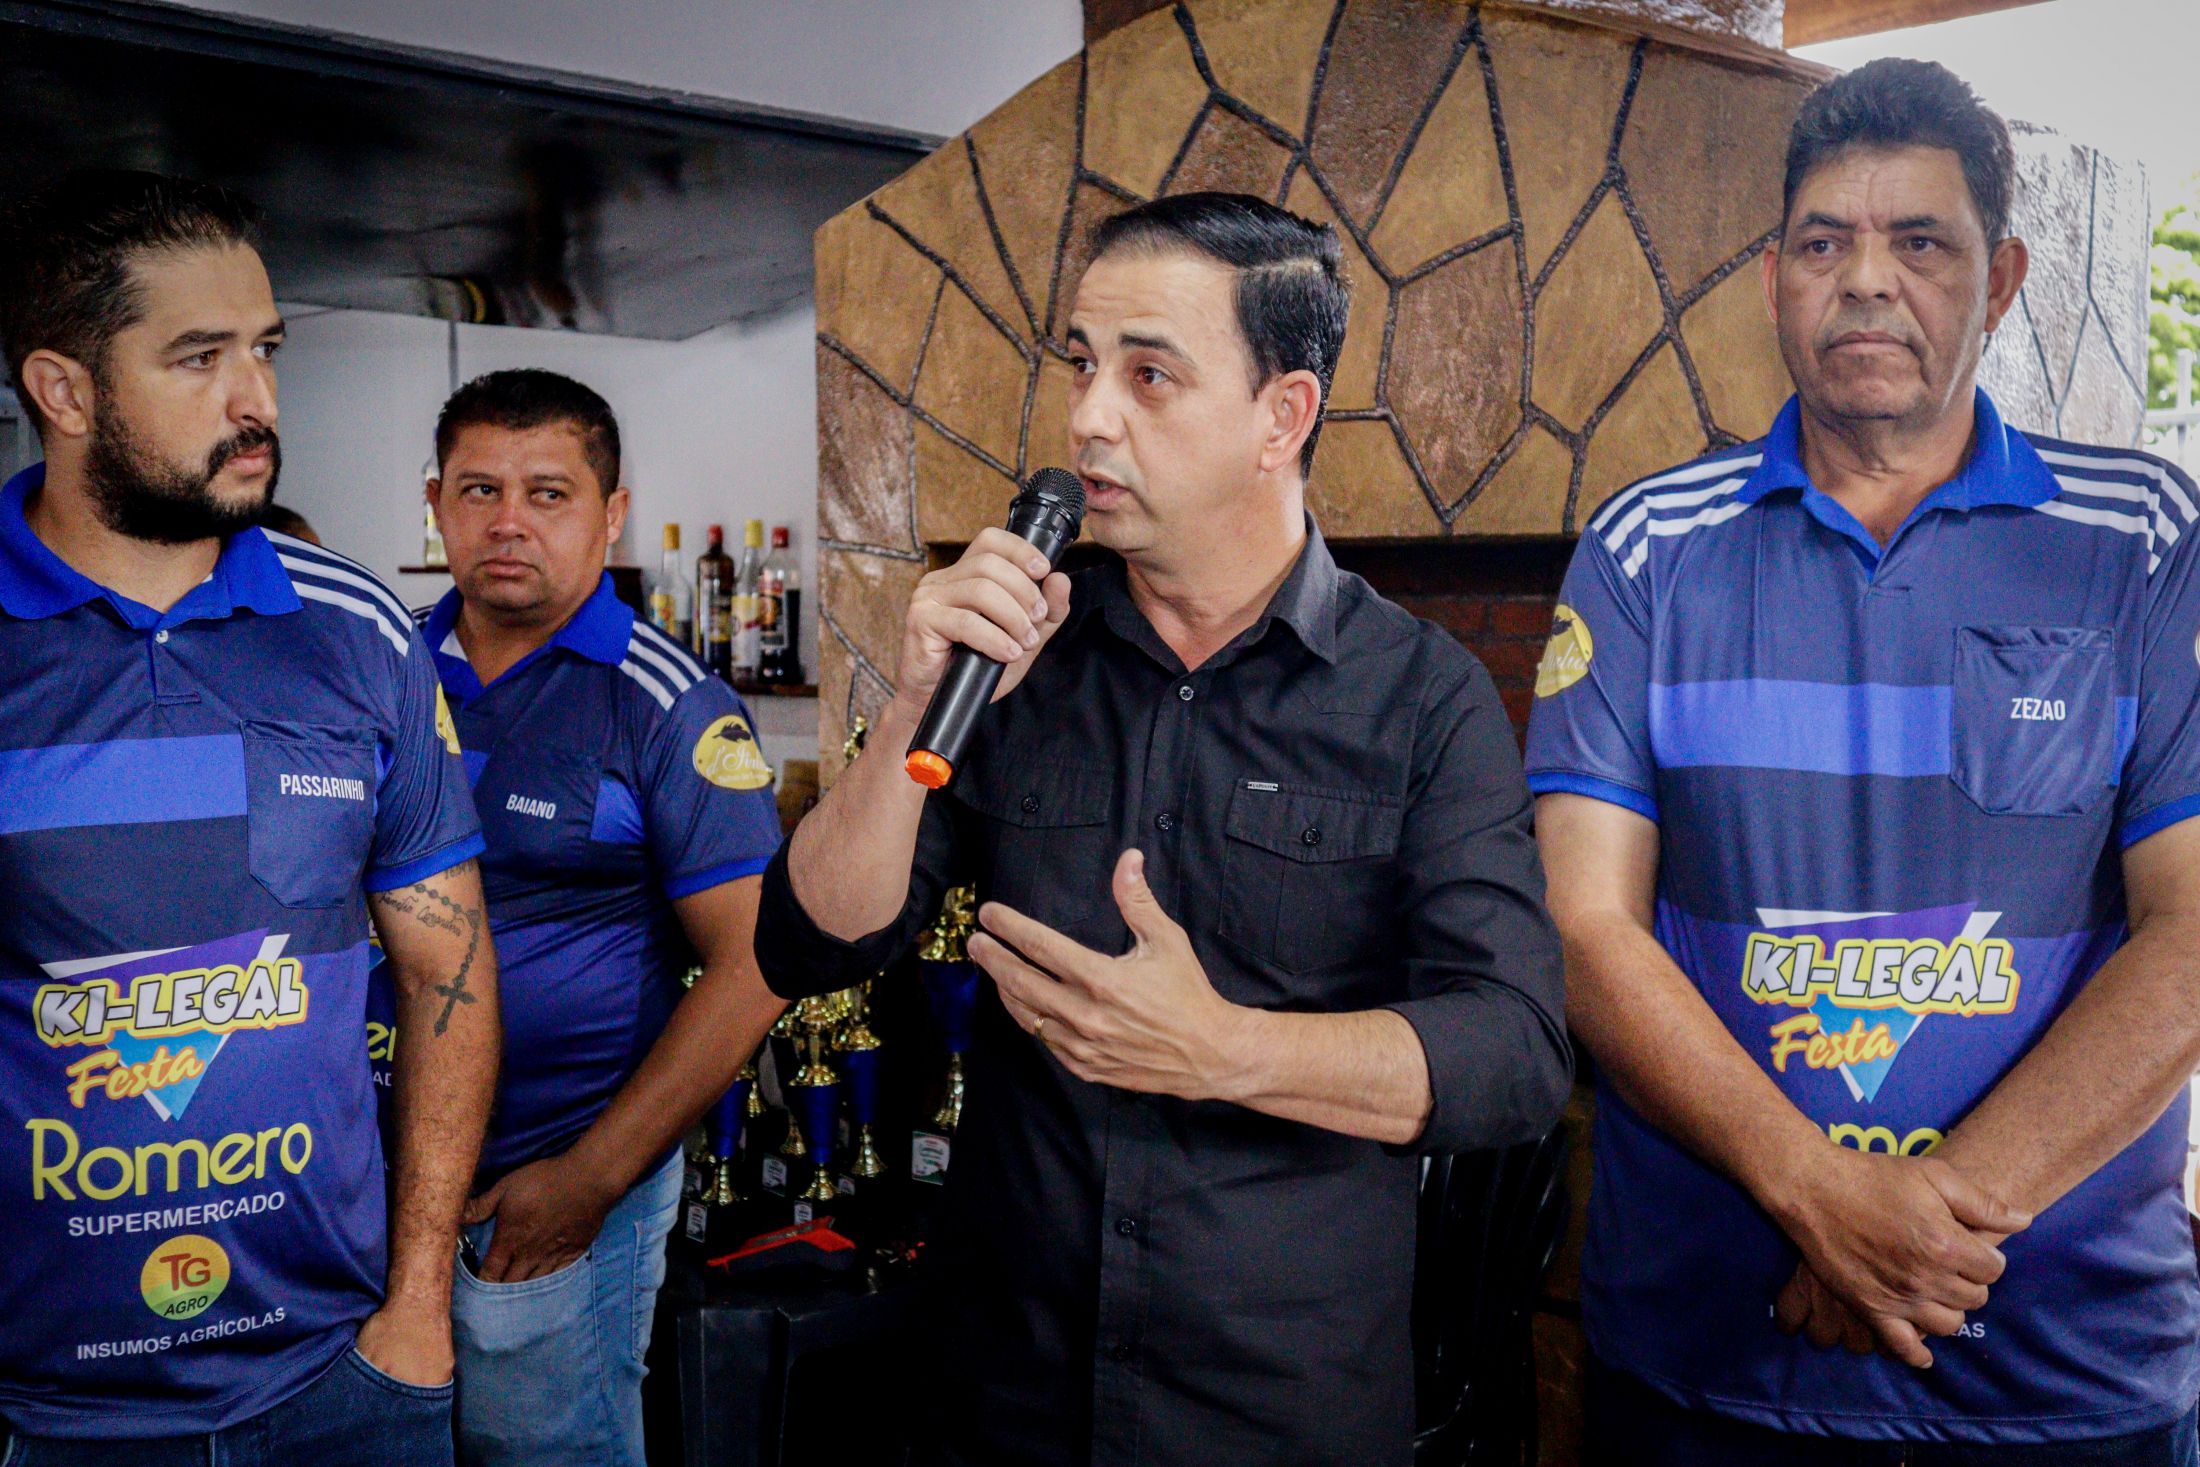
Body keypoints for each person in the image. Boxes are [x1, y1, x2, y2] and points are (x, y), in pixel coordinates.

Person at [754, 191, 1571, 1466]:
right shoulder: (1022, 658)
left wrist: (1223, 1049)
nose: (1089, 417)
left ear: (1281, 416)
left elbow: (1512, 1056)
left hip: (1274, 1409)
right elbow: (811, 945)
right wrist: (912, 702)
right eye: (1082, 364)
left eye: (1149, 376)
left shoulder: (1422, 696)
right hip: (1000, 1397)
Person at [1526, 58, 2200, 1464]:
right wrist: (1814, 1192)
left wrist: (1908, 1236)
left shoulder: (2144, 540)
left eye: (1922, 243)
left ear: (1999, 281)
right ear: (1774, 279)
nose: (1868, 281)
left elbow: (2191, 930)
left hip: (2064, 1376)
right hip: (1704, 1368)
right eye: (1824, 242)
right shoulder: (1646, 549)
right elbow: (1583, 928)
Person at [0, 171, 497, 1462]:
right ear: (63, 390)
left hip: (338, 1380)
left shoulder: (358, 628)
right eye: (199, 357)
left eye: (266, 350)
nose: (258, 400)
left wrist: (418, 1304)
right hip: (41, 1415)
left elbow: (445, 969)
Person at [401, 368, 787, 1467]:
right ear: (435, 503)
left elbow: (757, 964)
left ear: (611, 514)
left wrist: (590, 1181)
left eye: (548, 493)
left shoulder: (666, 702)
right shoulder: (380, 670)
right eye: (479, 489)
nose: (507, 521)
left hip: (545, 1194)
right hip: (368, 1192)